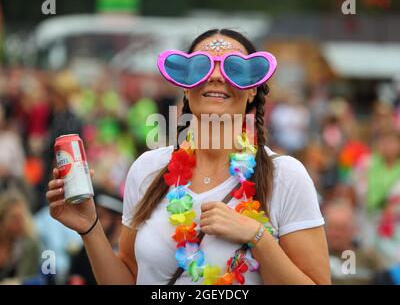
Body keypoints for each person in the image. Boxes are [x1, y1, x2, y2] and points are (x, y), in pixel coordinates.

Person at [46, 29, 330, 285]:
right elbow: (129, 279)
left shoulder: (286, 177)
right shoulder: (148, 168)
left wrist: (258, 237)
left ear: (253, 88)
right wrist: (90, 228)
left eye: (234, 69)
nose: (217, 76)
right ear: (185, 84)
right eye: (201, 67)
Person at [0, 190, 41, 284]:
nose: (21, 223)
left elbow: (27, 279)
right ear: (2, 220)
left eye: (22, 217)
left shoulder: (29, 245)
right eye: (14, 218)